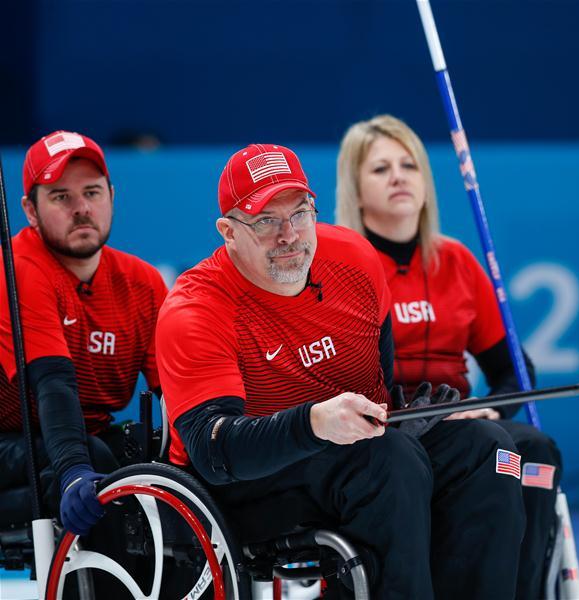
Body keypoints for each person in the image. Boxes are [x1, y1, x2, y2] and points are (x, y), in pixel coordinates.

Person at [155, 142, 525, 599]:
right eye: (267, 221)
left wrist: (419, 421)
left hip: (354, 456)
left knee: (487, 448)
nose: (289, 235)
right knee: (387, 461)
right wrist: (313, 423)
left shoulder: (356, 259)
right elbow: (215, 455)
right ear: (228, 232)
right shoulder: (196, 308)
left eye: (299, 214)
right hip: (244, 485)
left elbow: (382, 390)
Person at [336, 114, 564, 600]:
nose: (399, 176)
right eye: (380, 169)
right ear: (355, 191)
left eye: (409, 165)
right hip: (388, 425)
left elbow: (514, 370)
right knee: (484, 444)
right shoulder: (344, 266)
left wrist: (493, 407)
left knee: (534, 451)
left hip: (462, 420)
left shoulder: (456, 261)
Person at [0, 131, 168, 588]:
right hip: (10, 439)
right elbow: (53, 386)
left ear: (111, 196)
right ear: (30, 211)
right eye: (61, 196)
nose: (81, 208)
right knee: (93, 463)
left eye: (92, 192)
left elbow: (176, 392)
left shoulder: (142, 282)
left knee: (153, 462)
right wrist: (76, 471)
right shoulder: (18, 268)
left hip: (83, 439)